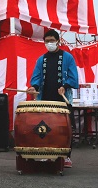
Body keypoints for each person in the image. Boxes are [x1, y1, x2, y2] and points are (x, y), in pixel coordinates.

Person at [27, 29, 79, 168]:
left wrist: (65, 85)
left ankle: (66, 156)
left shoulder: (67, 57)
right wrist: (34, 87)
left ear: (58, 41)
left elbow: (74, 77)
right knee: (45, 127)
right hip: (45, 99)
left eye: (52, 40)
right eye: (47, 41)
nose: (49, 43)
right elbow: (36, 77)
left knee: (65, 129)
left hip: (62, 99)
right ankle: (47, 154)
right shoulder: (41, 59)